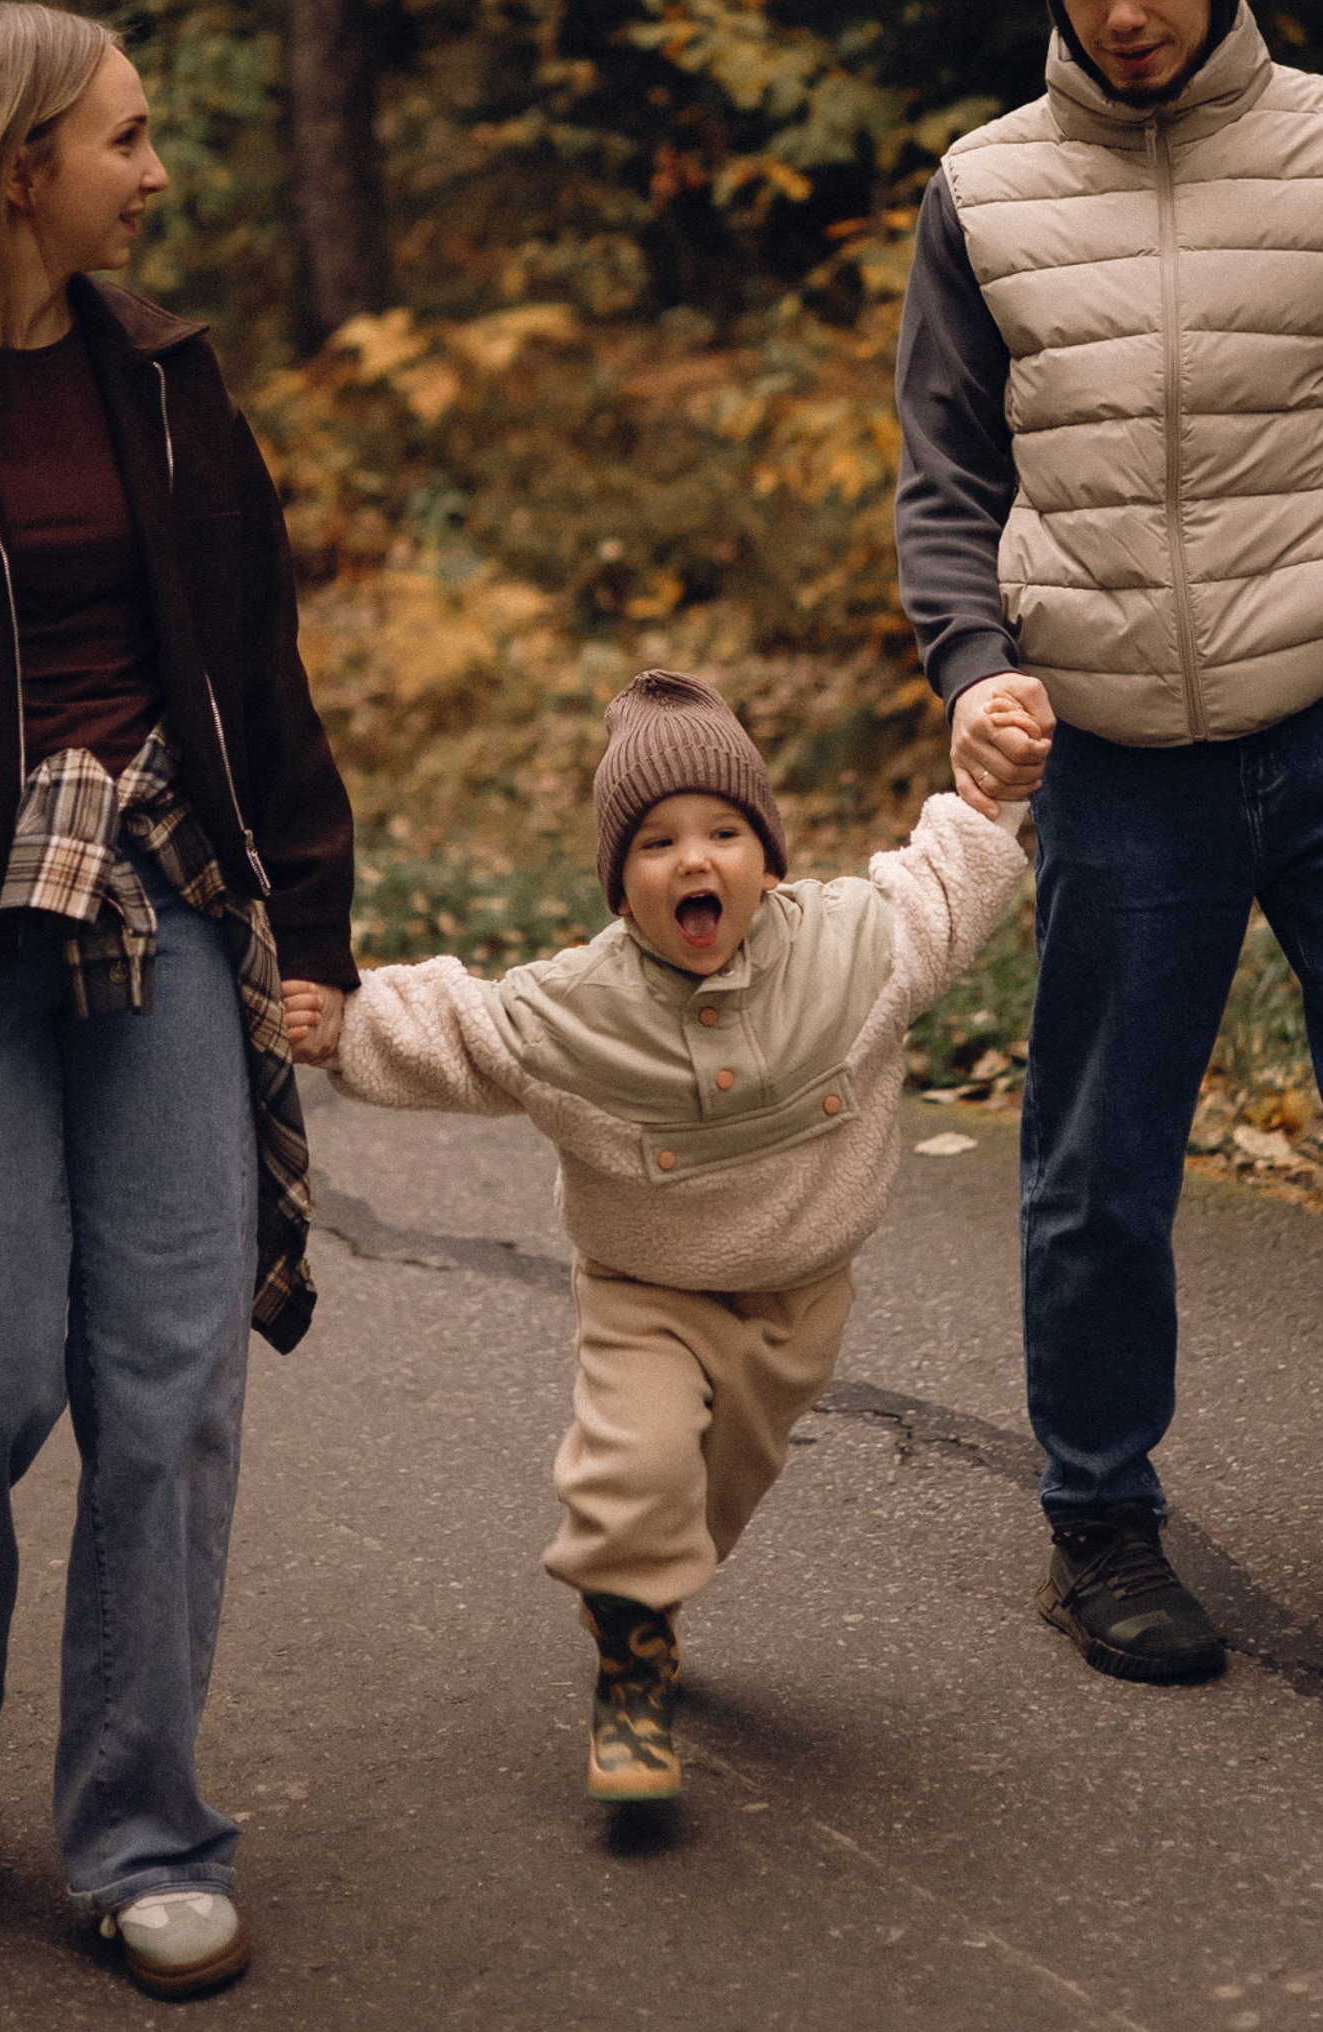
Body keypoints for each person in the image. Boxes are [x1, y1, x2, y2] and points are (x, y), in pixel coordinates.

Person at [284, 669, 1028, 1803]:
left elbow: (946, 887)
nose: (696, 859)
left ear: (767, 859)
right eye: (656, 843)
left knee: (711, 1499)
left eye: (726, 831)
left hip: (801, 1298)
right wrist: (344, 1022)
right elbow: (460, 1026)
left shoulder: (853, 951)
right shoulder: (575, 1010)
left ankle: (652, 1590)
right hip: (647, 1290)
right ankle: (630, 1666)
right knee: (637, 1475)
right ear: (619, 889)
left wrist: (987, 789)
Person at [0, 3, 356, 2000]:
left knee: (172, 1380)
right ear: (15, 162)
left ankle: (140, 1825)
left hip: (163, 908)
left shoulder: (171, 381)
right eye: (122, 139)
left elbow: (257, 675)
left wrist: (321, 926)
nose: (156, 168)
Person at [894, 0, 1323, 1684]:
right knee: (1098, 1169)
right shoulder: (985, 191)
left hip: (1318, 709)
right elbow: (944, 473)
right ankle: (1099, 1523)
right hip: (1115, 756)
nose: (1128, 13)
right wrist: (974, 671)